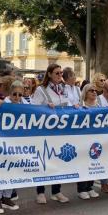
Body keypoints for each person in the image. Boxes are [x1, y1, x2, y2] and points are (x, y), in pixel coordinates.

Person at [32, 64, 71, 204]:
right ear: (49, 74)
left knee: (58, 160)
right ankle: (40, 192)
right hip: (45, 131)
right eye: (57, 73)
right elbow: (34, 109)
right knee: (44, 160)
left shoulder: (64, 89)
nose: (60, 75)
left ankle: (56, 191)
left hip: (61, 130)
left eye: (61, 73)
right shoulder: (41, 90)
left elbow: (70, 105)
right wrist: (45, 108)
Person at [0, 81, 24, 213]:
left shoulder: (24, 104)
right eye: (14, 94)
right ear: (10, 93)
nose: (17, 97)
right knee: (3, 170)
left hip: (18, 143)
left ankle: (7, 197)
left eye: (20, 94)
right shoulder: (4, 103)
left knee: (14, 170)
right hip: (4, 143)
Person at [77, 84, 101, 199]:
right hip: (83, 138)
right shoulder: (80, 106)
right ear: (85, 93)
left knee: (93, 162)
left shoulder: (99, 106)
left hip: (96, 139)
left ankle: (90, 187)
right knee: (83, 163)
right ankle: (81, 189)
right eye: (91, 90)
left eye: (95, 90)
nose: (94, 92)